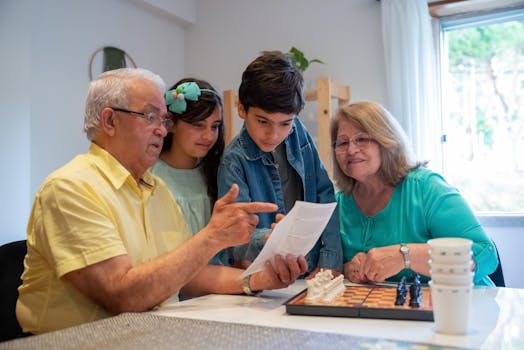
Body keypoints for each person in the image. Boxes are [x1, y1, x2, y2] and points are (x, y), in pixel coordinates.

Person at [16, 68, 308, 335]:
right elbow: (122, 296)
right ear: (109, 120)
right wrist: (211, 237)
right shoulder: (70, 188)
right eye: (150, 116)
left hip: (148, 334)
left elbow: (189, 276)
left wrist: (258, 279)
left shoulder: (156, 190)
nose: (162, 129)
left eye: (164, 119)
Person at [330, 101, 499, 286]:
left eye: (362, 139)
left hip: (462, 304)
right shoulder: (338, 203)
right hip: (389, 310)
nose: (351, 150)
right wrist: (348, 269)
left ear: (386, 140)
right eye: (343, 143)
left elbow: (486, 254)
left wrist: (404, 256)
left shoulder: (426, 188)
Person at [217, 50, 343, 277]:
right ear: (241, 109)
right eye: (263, 121)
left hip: (312, 270)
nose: (273, 134)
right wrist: (270, 238)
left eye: (285, 123)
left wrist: (330, 260)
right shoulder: (233, 162)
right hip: (265, 276)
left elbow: (324, 195)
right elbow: (234, 235)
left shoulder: (299, 134)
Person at [150, 78, 226, 266]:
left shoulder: (217, 172)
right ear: (171, 124)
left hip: (221, 283)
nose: (208, 136)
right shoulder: (150, 176)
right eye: (198, 125)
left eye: (214, 126)